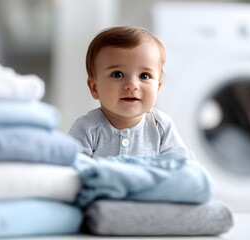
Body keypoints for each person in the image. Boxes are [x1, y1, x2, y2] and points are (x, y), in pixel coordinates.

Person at [69, 26, 188, 158]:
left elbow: (180, 166)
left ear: (157, 88)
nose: (132, 85)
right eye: (117, 74)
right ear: (94, 88)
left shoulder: (161, 126)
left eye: (144, 76)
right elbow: (72, 169)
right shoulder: (87, 128)